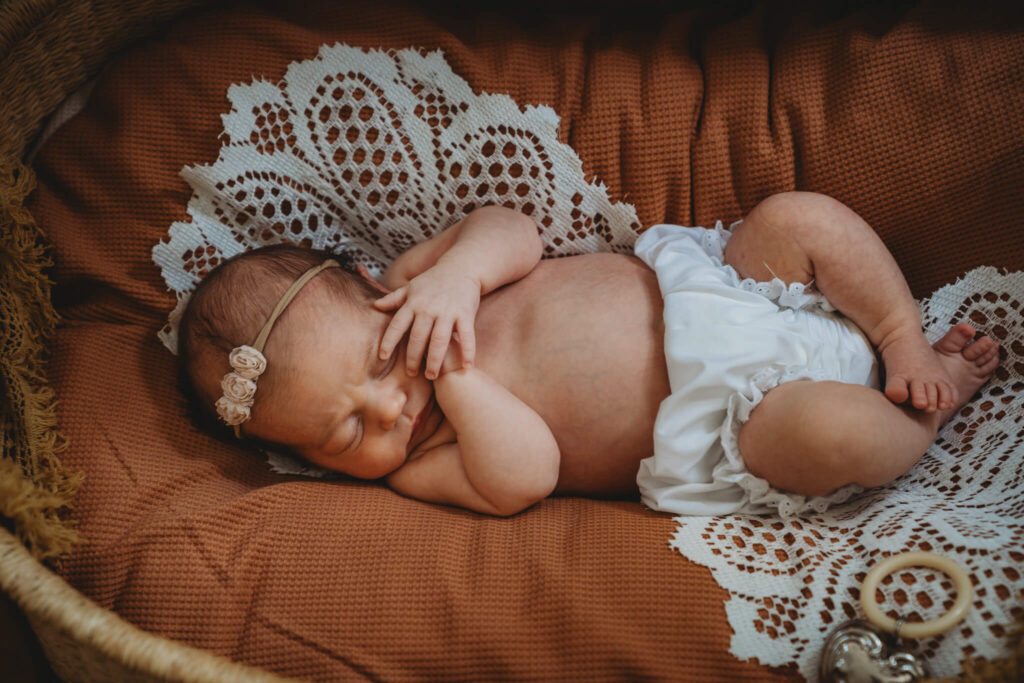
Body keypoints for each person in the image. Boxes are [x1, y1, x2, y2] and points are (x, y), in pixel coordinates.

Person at [178, 192, 1000, 517]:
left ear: (370, 290)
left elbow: (513, 228)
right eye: (347, 434)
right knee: (830, 436)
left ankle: (899, 336)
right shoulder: (417, 462)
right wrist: (457, 379)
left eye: (380, 362)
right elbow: (525, 474)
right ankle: (923, 414)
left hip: (729, 288)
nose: (390, 407)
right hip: (744, 415)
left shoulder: (414, 279)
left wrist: (460, 276)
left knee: (797, 219)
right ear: (311, 462)